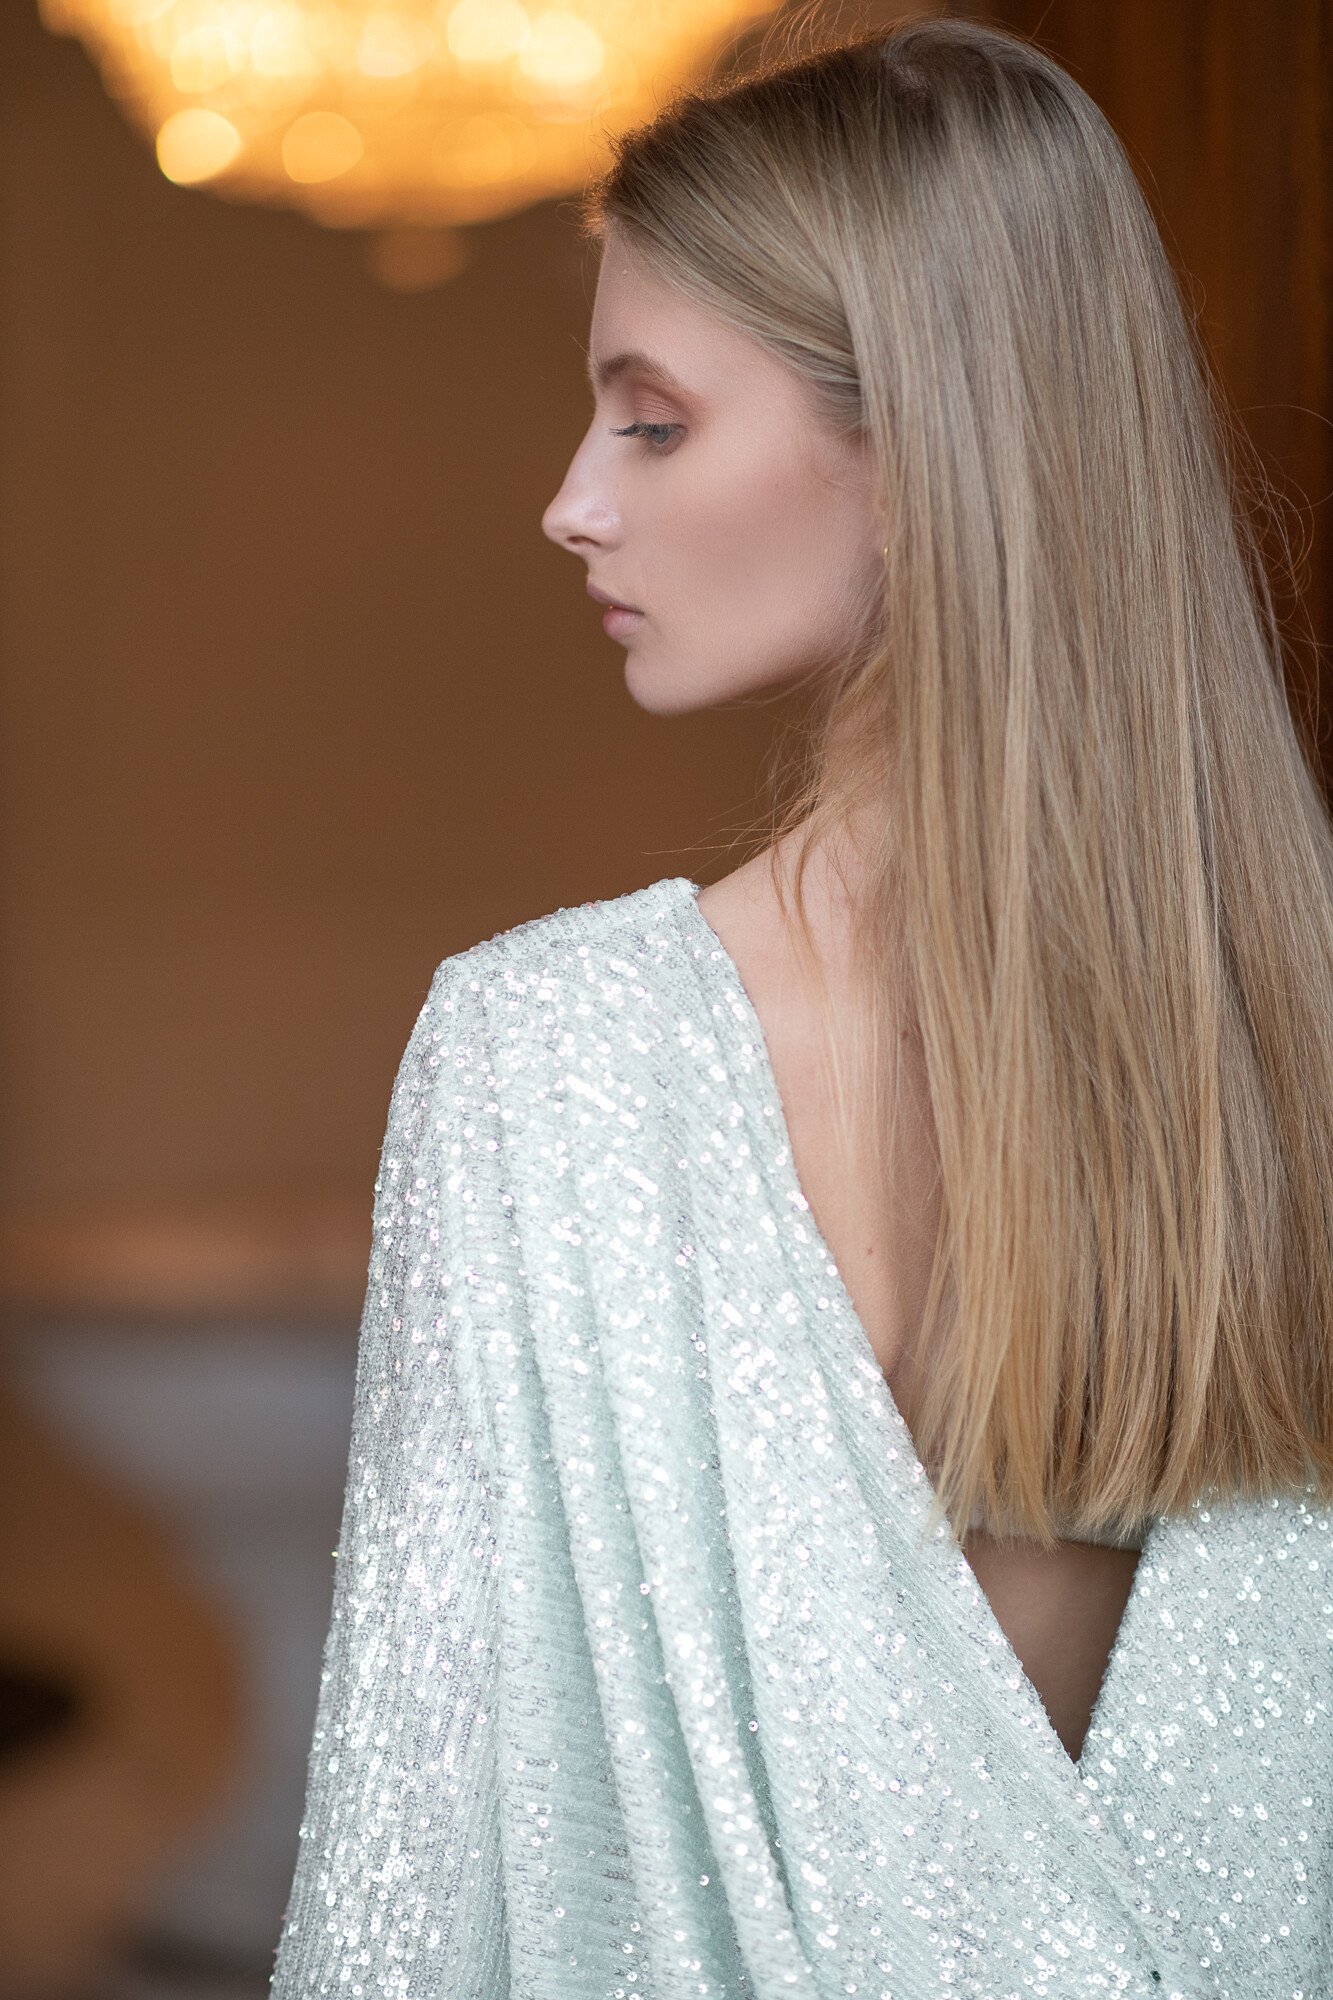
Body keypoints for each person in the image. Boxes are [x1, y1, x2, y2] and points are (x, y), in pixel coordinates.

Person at [271, 20, 1333, 1998]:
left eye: (653, 422)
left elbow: (402, 1900)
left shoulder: (544, 1058)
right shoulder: (1295, 1049)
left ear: (922, 455)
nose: (569, 502)